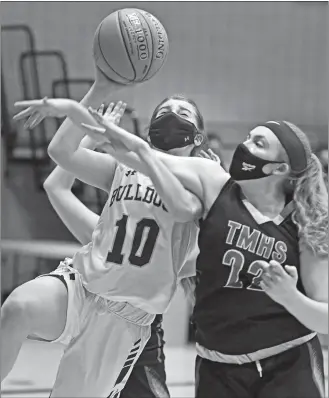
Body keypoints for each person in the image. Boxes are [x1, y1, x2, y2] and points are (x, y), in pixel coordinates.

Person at [79, 116, 328, 398]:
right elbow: (145, 157)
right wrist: (106, 134)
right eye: (247, 137)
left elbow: (325, 319)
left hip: (286, 363)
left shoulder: (307, 222)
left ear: (280, 168)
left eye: (258, 143)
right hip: (216, 365)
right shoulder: (214, 182)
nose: (245, 146)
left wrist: (289, 297)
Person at [4, 71, 212, 397]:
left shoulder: (200, 185)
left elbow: (200, 251)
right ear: (149, 129)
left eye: (183, 114)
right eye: (163, 112)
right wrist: (100, 90)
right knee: (18, 307)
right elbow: (62, 153)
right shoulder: (123, 168)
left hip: (123, 317)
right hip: (82, 285)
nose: (171, 116)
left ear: (198, 137)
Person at [42, 104, 170, 398]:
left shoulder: (181, 225)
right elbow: (56, 185)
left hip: (137, 340)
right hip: (105, 329)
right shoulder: (107, 233)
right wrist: (92, 139)